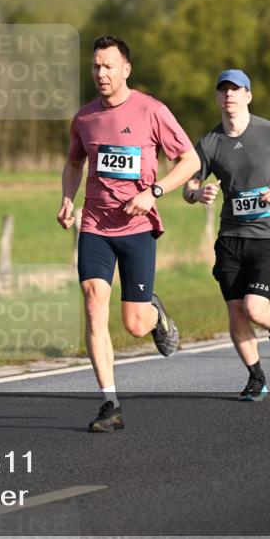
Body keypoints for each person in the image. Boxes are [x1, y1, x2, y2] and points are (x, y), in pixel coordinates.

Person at [58, 35, 201, 432]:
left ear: (126, 69)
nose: (100, 73)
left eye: (108, 66)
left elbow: (189, 159)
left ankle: (156, 315)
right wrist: (68, 199)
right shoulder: (84, 118)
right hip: (95, 226)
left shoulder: (152, 111)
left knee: (134, 324)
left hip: (137, 227)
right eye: (95, 67)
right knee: (92, 303)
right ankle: (110, 403)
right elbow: (73, 163)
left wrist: (154, 192)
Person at [183, 69, 270, 401]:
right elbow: (189, 184)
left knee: (254, 307)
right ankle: (256, 377)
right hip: (231, 238)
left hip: (267, 236)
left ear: (248, 96)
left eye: (236, 90)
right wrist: (197, 195)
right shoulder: (210, 142)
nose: (229, 96)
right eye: (223, 91)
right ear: (217, 98)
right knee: (236, 310)